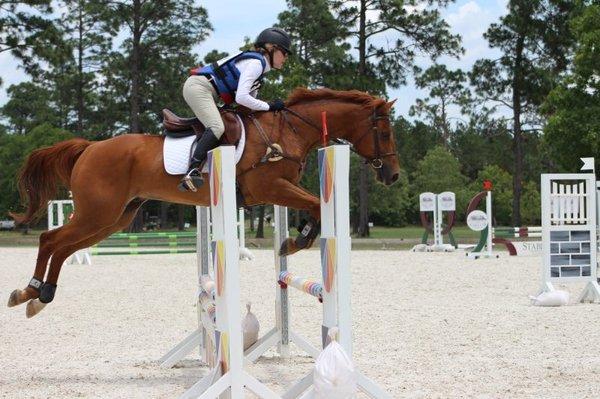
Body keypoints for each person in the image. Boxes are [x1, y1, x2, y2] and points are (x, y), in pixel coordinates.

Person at [179, 27, 292, 191]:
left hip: (208, 91)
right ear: (271, 48)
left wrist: (273, 108)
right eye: (284, 52)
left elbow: (246, 105)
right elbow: (242, 98)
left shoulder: (259, 72)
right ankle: (192, 170)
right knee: (217, 127)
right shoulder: (256, 64)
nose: (286, 57)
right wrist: (269, 105)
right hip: (199, 87)